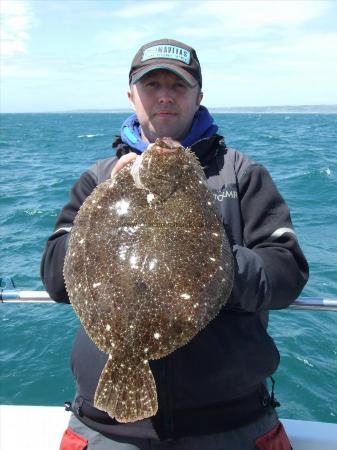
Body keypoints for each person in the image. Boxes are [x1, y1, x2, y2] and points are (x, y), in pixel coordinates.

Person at [41, 38, 309, 450]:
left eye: (178, 86)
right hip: (103, 425)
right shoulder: (99, 179)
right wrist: (108, 205)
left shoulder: (240, 175)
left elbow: (287, 273)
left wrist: (211, 266)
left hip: (230, 422)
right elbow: (55, 280)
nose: (164, 96)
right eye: (152, 85)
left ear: (199, 95)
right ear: (131, 95)